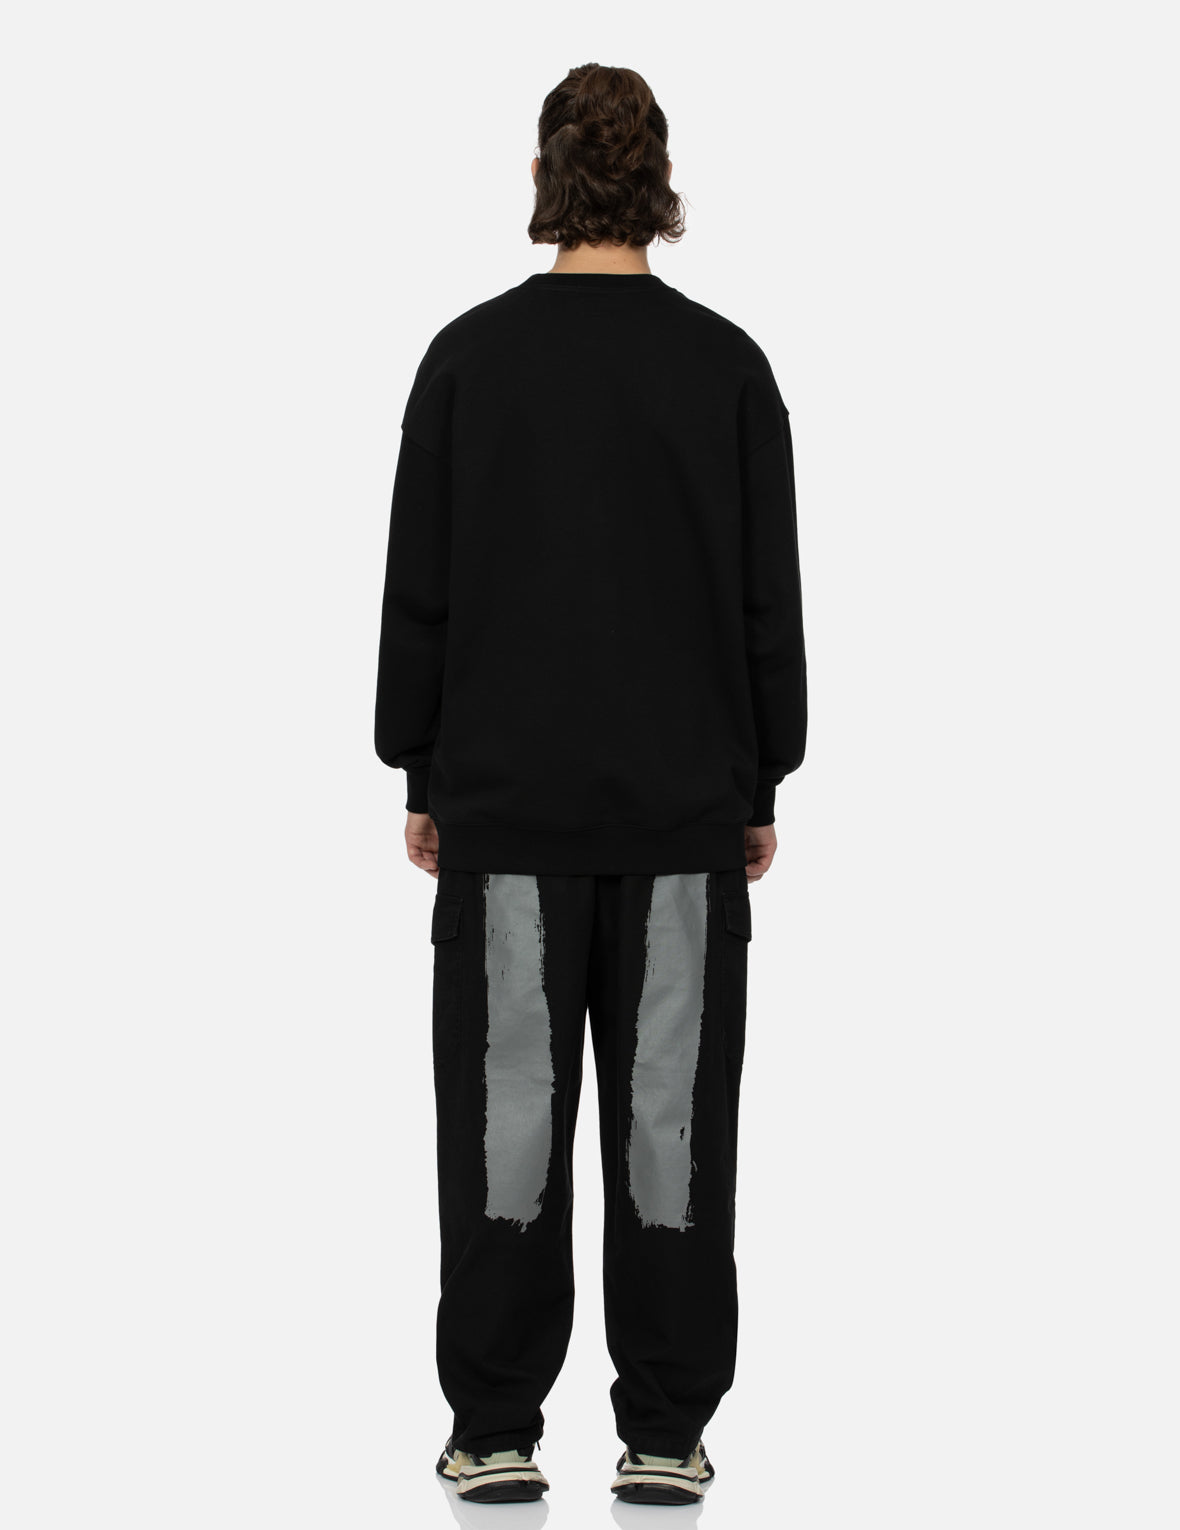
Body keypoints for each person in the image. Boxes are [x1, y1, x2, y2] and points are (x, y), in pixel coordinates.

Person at [374, 61, 806, 1507]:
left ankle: (494, 1425)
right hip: (686, 817)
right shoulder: (727, 369)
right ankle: (667, 1431)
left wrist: (419, 764)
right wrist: (763, 778)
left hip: (505, 820)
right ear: (660, 180)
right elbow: (765, 601)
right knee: (668, 1135)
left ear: (542, 176)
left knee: (508, 1133)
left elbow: (422, 591)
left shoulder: (466, 361)